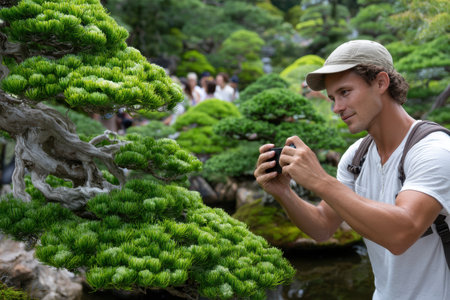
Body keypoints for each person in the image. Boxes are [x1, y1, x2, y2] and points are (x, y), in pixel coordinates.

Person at [254, 40, 450, 300]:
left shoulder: (434, 149)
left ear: (381, 83)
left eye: (345, 92)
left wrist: (320, 180)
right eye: (333, 98)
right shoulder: (357, 156)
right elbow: (323, 227)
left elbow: (402, 233)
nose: (336, 108)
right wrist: (284, 192)